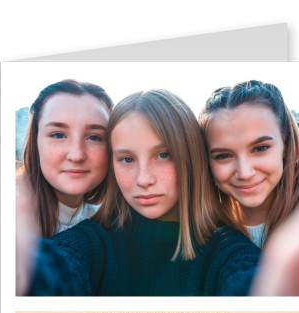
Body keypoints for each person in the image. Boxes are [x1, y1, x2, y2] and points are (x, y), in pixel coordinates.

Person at [21, 89, 261, 296]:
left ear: (190, 157)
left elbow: (252, 284)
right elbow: (58, 267)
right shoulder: (94, 241)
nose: (143, 179)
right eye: (127, 159)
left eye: (163, 155)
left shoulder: (228, 251)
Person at [199, 80, 299, 249]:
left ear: (286, 145)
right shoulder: (204, 237)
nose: (245, 172)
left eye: (260, 148)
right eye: (223, 155)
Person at [19, 79, 113, 237]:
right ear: (36, 142)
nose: (76, 155)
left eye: (94, 137)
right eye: (58, 135)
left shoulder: (111, 227)